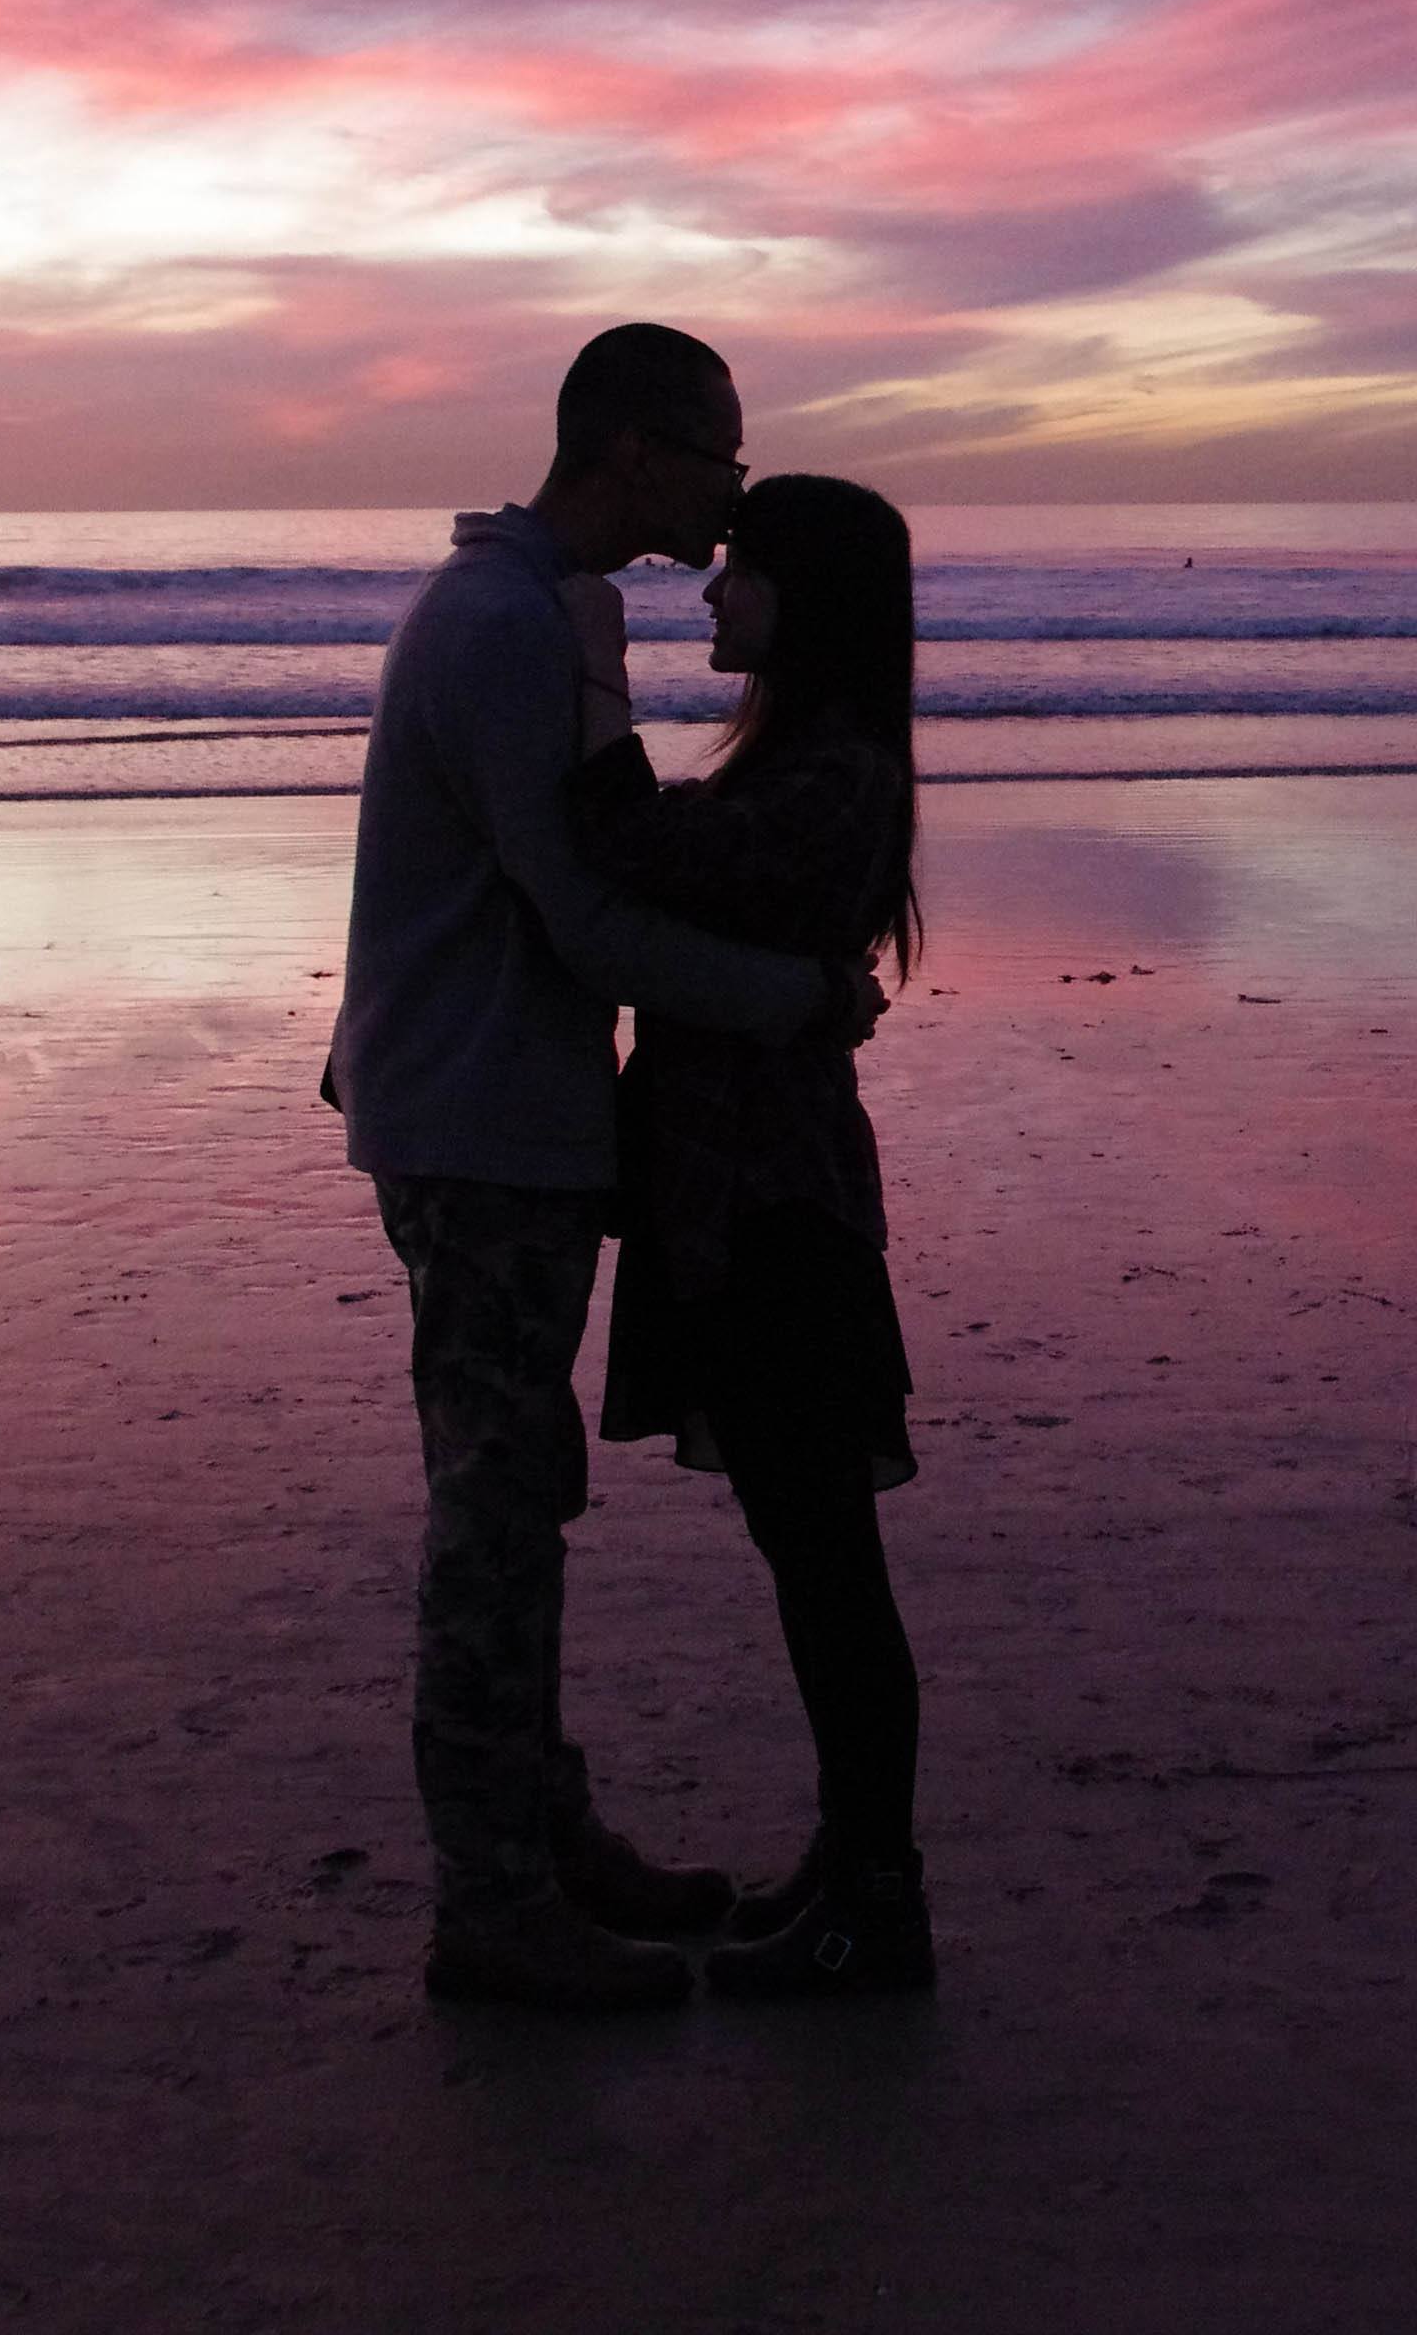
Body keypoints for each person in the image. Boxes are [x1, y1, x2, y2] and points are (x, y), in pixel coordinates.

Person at [323, 325, 880, 2013]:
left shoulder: (547, 610)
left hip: (498, 1110)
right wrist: (789, 997)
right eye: (719, 449)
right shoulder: (500, 624)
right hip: (479, 1127)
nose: (735, 482)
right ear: (635, 452)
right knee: (494, 1512)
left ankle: (542, 1841)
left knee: (522, 1489)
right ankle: (492, 1902)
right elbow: (582, 914)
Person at [562, 473, 936, 1998]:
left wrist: (576, 683)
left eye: (741, 575)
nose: (711, 595)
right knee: (811, 1552)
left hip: (776, 1206)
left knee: (827, 1559)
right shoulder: (808, 760)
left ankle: (881, 1896)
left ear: (808, 598)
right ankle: (856, 1873)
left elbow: (644, 854)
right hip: (750, 1194)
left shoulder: (832, 774)